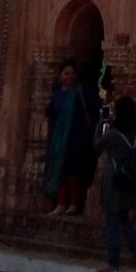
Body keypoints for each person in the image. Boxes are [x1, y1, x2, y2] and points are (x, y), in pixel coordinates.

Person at [94, 80, 136, 270]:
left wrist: (101, 123)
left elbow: (96, 145)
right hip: (130, 177)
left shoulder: (114, 134)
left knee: (112, 220)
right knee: (123, 216)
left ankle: (113, 260)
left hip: (114, 179)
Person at [42, 60, 95, 214]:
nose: (69, 77)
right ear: (60, 76)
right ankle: (61, 203)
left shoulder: (81, 92)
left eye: (72, 74)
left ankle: (74, 203)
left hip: (76, 138)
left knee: (74, 172)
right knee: (61, 170)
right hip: (59, 138)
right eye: (66, 73)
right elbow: (52, 111)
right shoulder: (58, 93)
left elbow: (94, 108)